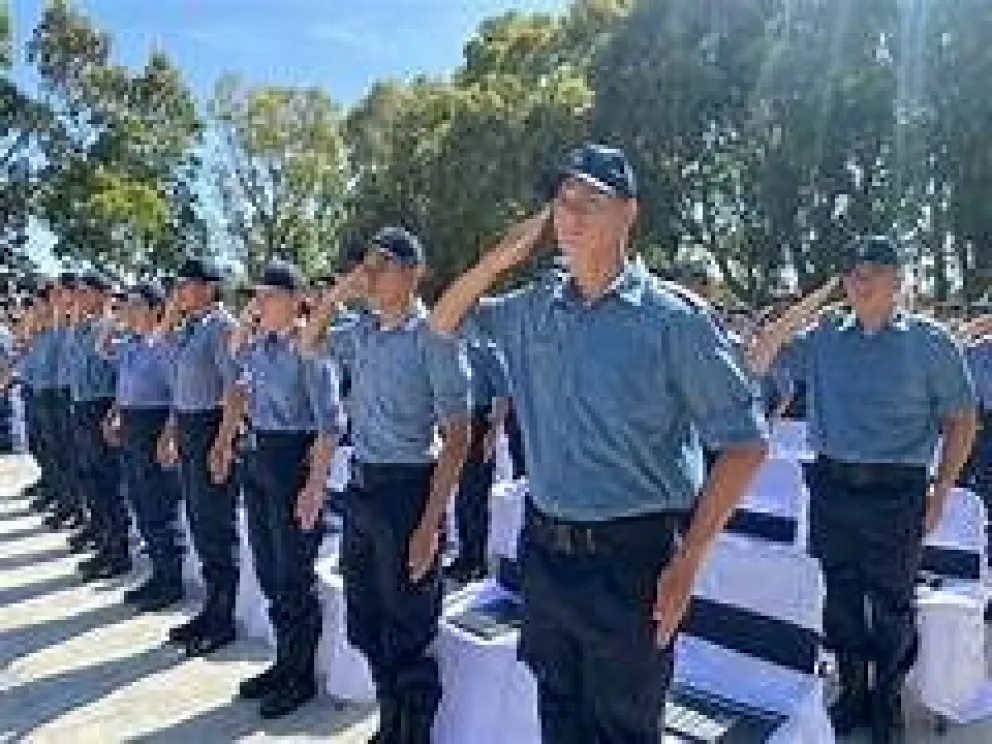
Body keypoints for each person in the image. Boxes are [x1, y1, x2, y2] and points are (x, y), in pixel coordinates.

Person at [430, 143, 769, 744]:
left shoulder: (672, 319)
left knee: (622, 728)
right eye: (564, 200)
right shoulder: (533, 309)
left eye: (592, 200)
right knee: (558, 719)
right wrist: (495, 261)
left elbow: (745, 444)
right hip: (547, 552)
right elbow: (441, 322)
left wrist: (689, 561)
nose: (573, 214)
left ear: (629, 213)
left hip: (631, 560)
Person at [750, 236, 977, 742]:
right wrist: (818, 295)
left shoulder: (930, 343)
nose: (861, 281)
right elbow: (762, 352)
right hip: (833, 487)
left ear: (898, 281)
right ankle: (853, 693)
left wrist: (941, 492)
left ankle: (887, 701)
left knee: (893, 605)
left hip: (897, 493)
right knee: (839, 600)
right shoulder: (824, 338)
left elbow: (962, 420)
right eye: (852, 272)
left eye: (873, 271)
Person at [304, 226, 471, 744]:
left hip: (408, 490)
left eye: (382, 266)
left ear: (413, 273)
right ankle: (390, 722)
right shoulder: (362, 332)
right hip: (363, 488)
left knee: (408, 627)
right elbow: (308, 343)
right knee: (366, 619)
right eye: (368, 267)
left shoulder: (434, 337)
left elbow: (458, 436)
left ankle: (412, 732)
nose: (371, 277)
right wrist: (340, 289)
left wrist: (429, 524)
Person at [208, 259, 344, 719]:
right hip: (260, 458)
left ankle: (300, 676)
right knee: (268, 569)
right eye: (257, 296)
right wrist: (249, 318)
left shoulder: (309, 348)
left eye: (268, 296)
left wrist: (315, 486)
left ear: (295, 300)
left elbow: (330, 425)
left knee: (293, 576)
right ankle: (283, 663)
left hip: (293, 463)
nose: (259, 303)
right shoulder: (261, 347)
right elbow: (233, 354)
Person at [157, 257, 240, 656]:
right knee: (200, 525)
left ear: (209, 287)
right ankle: (210, 609)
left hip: (211, 427)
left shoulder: (222, 326)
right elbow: (169, 363)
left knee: (216, 527)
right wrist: (172, 431)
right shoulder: (191, 329)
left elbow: (236, 388)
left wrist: (223, 443)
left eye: (185, 285)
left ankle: (223, 619)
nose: (179, 292)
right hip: (190, 426)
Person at [99, 281, 185, 611]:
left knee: (159, 503)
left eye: (136, 305)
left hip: (155, 424)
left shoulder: (163, 345)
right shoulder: (131, 345)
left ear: (155, 309)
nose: (129, 311)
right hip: (132, 424)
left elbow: (178, 394)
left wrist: (168, 435)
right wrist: (113, 414)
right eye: (127, 305)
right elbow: (104, 349)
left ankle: (170, 581)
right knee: (141, 502)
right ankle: (157, 574)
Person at [69, 269, 130, 581]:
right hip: (83, 406)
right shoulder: (81, 328)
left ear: (102, 294)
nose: (78, 297)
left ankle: (119, 551)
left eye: (85, 291)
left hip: (103, 406)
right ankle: (105, 542)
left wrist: (114, 414)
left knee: (109, 482)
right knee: (92, 480)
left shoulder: (113, 327)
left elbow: (122, 375)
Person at [447, 330, 510, 584]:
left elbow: (504, 394)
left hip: (480, 424)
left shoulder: (486, 349)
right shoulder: (452, 349)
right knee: (461, 497)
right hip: (459, 423)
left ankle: (476, 561)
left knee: (474, 497)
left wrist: (492, 435)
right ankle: (465, 555)